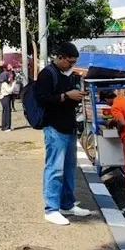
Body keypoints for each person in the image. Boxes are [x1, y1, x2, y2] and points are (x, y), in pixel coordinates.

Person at [34, 42, 92, 225]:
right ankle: (51, 209)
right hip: (54, 128)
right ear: (60, 57)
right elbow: (42, 100)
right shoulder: (47, 74)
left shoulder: (66, 75)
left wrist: (76, 96)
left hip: (69, 127)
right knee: (54, 169)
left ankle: (67, 204)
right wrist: (67, 96)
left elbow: (67, 98)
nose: (71, 65)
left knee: (68, 170)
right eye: (70, 61)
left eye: (74, 62)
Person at [0, 64, 18, 132]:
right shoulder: (4, 84)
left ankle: (6, 126)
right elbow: (9, 91)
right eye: (8, 76)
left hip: (6, 97)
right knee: (6, 112)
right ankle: (6, 127)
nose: (10, 78)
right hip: (5, 97)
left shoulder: (7, 83)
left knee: (7, 111)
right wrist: (14, 84)